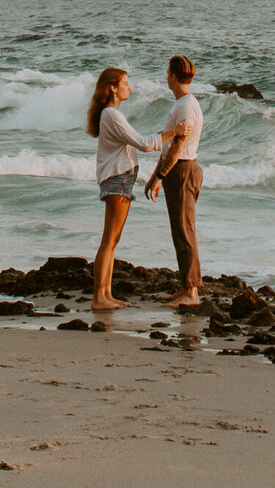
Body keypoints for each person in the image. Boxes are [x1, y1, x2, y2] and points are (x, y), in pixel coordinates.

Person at [86, 67, 183, 313]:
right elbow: (144, 143)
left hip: (121, 179)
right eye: (125, 83)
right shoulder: (111, 115)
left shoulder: (112, 115)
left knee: (113, 240)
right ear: (112, 88)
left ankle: (106, 294)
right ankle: (99, 297)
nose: (129, 87)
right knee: (109, 240)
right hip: (117, 179)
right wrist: (174, 132)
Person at [145, 54, 204, 306]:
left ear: (172, 75)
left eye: (167, 72)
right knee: (180, 231)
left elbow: (178, 146)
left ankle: (192, 292)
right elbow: (168, 145)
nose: (165, 77)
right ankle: (187, 287)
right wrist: (153, 177)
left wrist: (160, 176)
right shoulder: (181, 103)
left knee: (184, 230)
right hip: (176, 169)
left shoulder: (186, 106)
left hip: (183, 170)